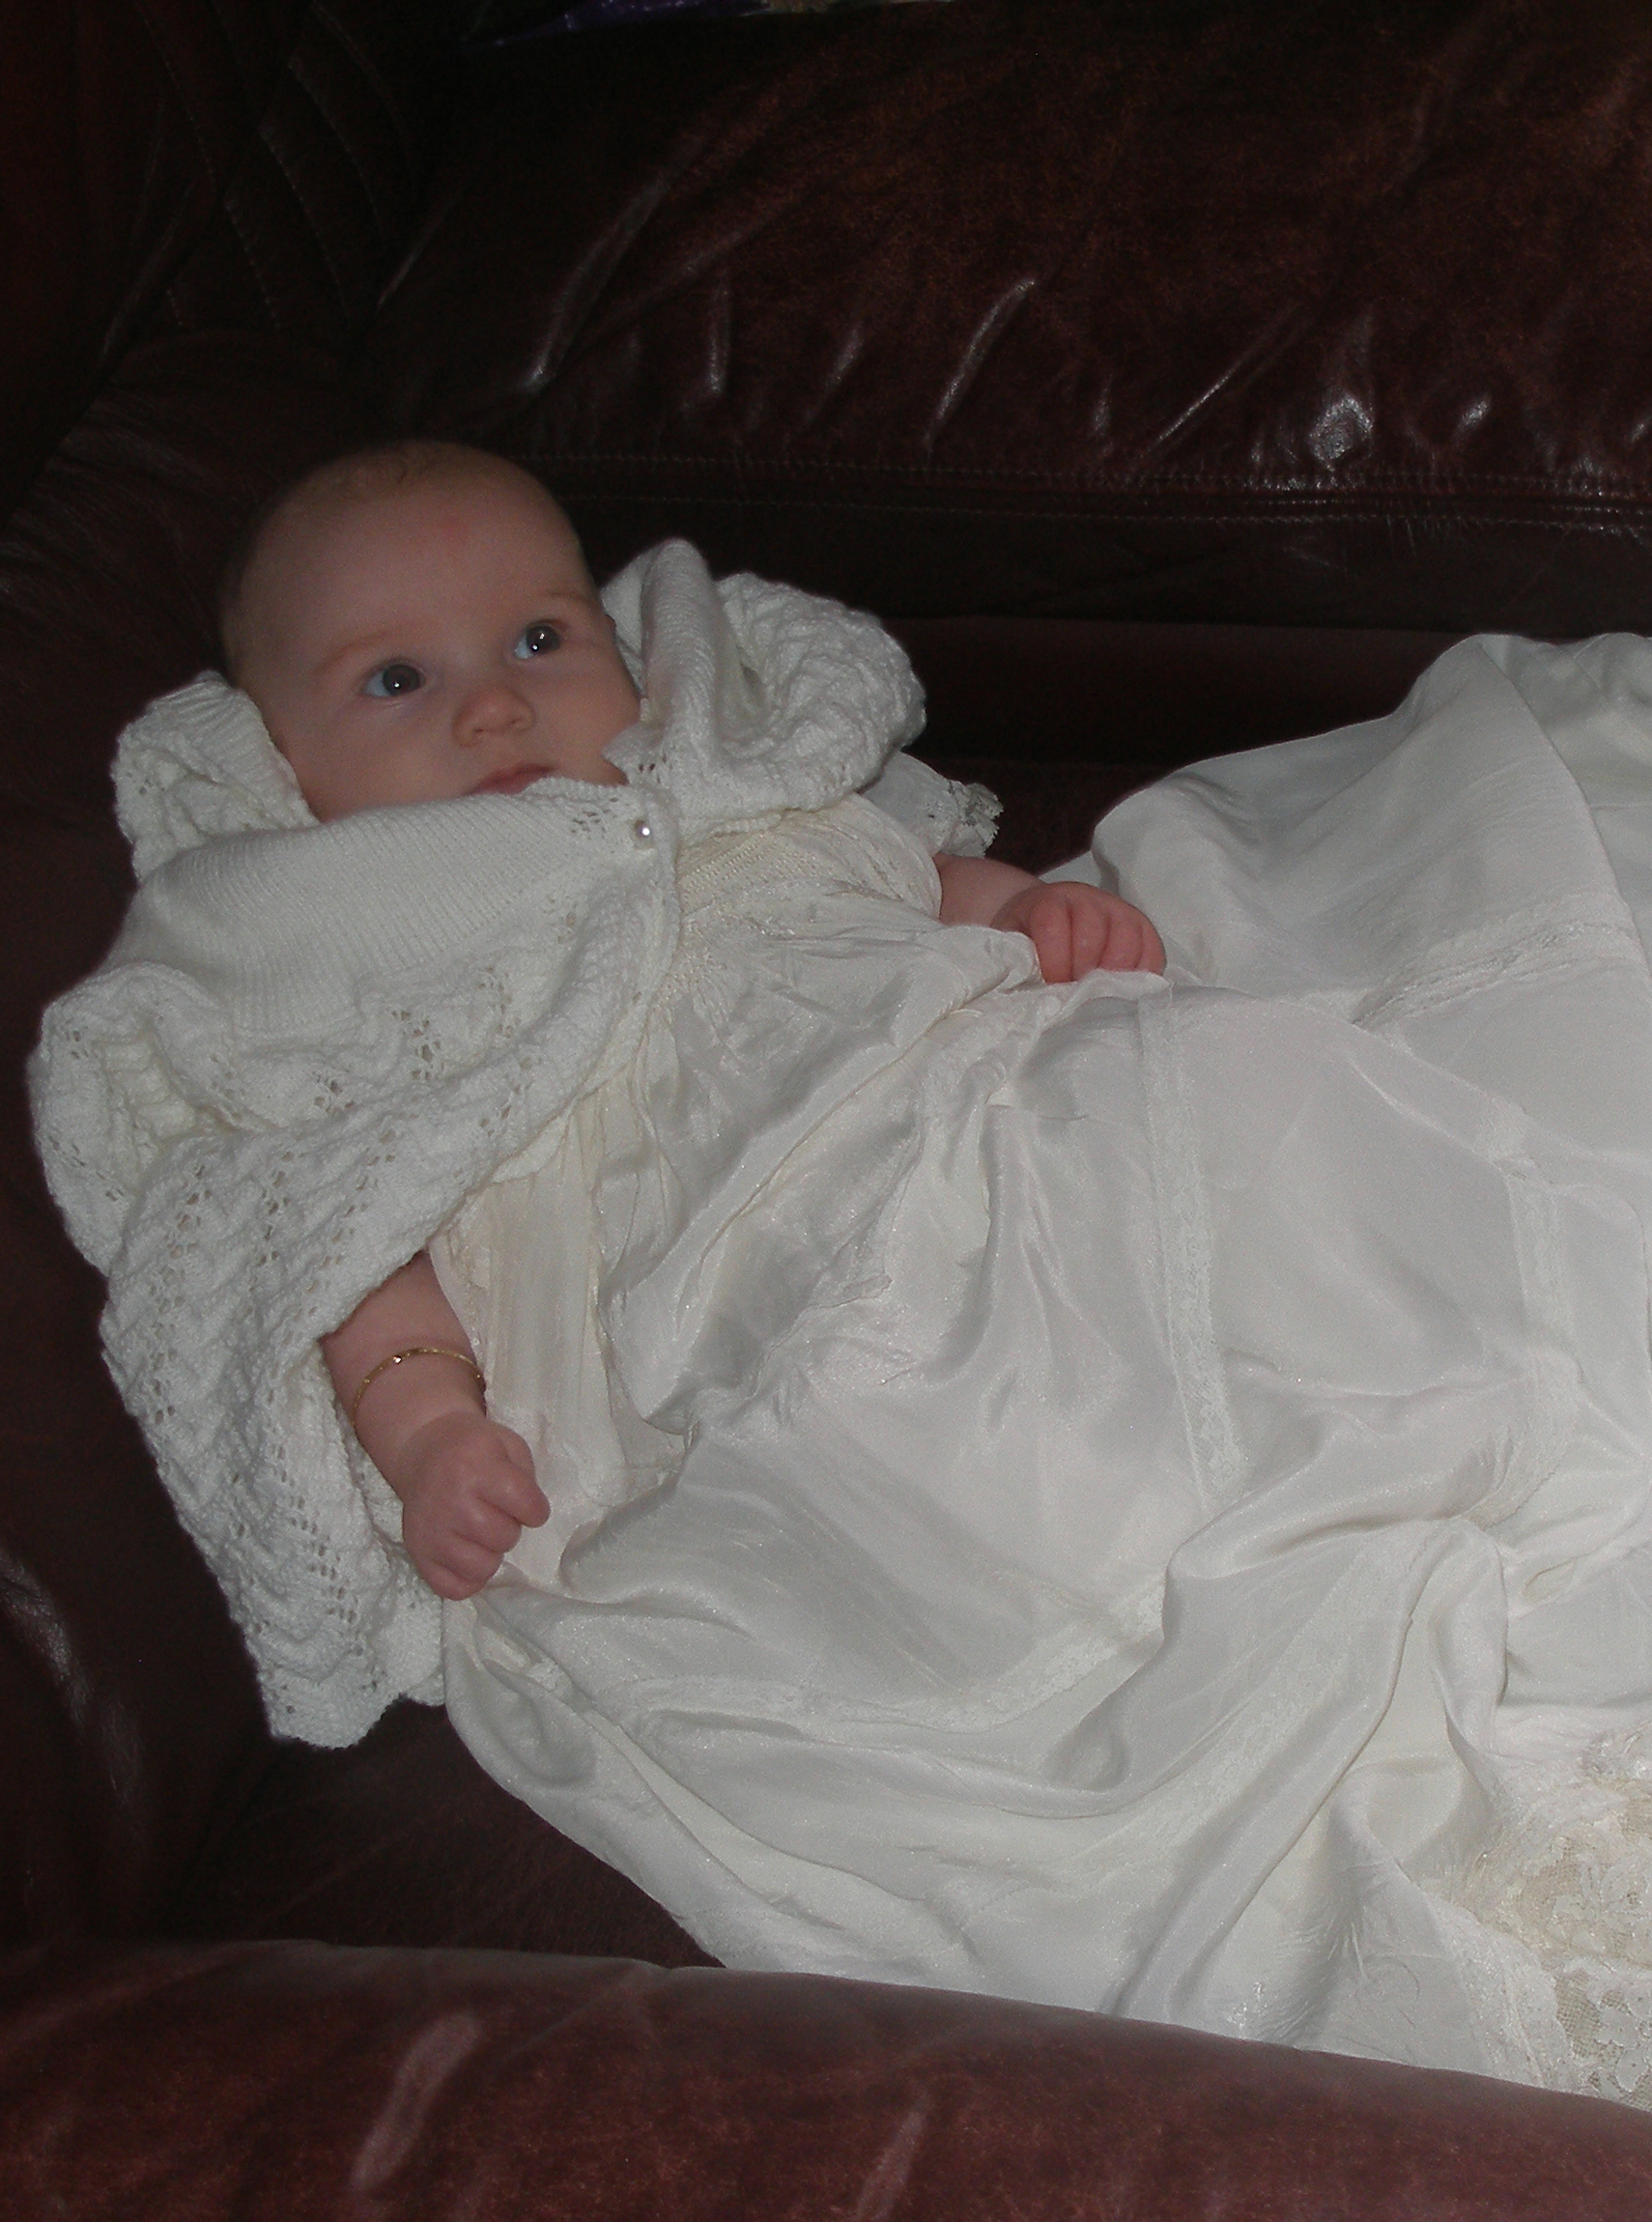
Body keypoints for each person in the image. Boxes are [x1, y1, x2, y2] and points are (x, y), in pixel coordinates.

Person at [215, 441, 1165, 1599]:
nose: (497, 706)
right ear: (283, 772)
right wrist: (428, 1437)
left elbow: (902, 882)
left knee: (1137, 1148)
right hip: (728, 1295)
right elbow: (362, 1261)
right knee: (913, 1423)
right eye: (397, 679)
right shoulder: (371, 977)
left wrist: (1028, 912)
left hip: (981, 1110)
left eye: (539, 640)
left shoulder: (736, 806)